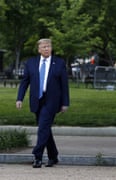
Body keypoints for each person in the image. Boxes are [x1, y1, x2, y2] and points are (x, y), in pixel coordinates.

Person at [16, 38, 70, 168]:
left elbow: (64, 85)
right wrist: (19, 98)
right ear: (39, 49)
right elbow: (25, 82)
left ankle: (37, 156)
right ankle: (53, 156)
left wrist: (65, 103)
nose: (47, 49)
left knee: (43, 127)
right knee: (45, 129)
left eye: (48, 46)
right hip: (36, 100)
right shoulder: (31, 63)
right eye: (44, 47)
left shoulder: (59, 63)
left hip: (52, 100)